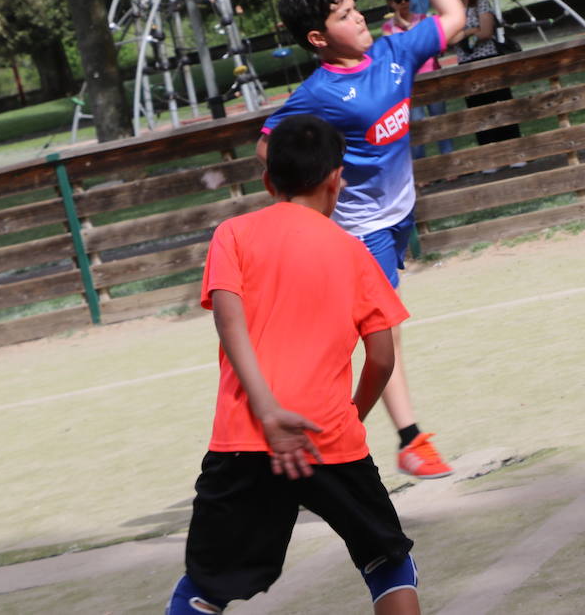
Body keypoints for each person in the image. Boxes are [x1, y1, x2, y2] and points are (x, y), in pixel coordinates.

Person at [166, 115, 420, 615]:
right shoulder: (353, 252)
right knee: (388, 563)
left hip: (244, 438)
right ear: (335, 179)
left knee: (205, 587)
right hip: (328, 436)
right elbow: (383, 356)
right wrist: (351, 415)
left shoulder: (233, 234)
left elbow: (229, 323)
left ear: (267, 181)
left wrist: (267, 412)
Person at [255, 0, 463, 479]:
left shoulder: (396, 54)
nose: (361, 19)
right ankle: (407, 439)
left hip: (399, 217)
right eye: (346, 16)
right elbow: (268, 147)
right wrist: (301, 208)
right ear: (319, 38)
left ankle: (319, 428)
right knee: (384, 334)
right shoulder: (317, 93)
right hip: (359, 229)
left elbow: (455, 15)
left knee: (364, 335)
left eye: (356, 8)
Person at [442, 0, 524, 170]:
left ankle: (514, 153)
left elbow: (486, 32)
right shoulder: (448, 13)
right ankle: (489, 158)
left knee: (501, 106)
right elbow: (447, 39)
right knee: (478, 112)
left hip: (488, 61)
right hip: (466, 66)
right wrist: (470, 32)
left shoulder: (480, 4)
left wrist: (464, 32)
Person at [383, 0, 453, 160]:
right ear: (392, 4)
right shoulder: (388, 28)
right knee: (416, 126)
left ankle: (450, 164)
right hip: (409, 82)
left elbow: (426, 44)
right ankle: (423, 171)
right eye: (399, 0)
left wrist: (406, 27)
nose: (404, 3)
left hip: (432, 76)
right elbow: (393, 54)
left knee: (440, 123)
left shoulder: (422, 19)